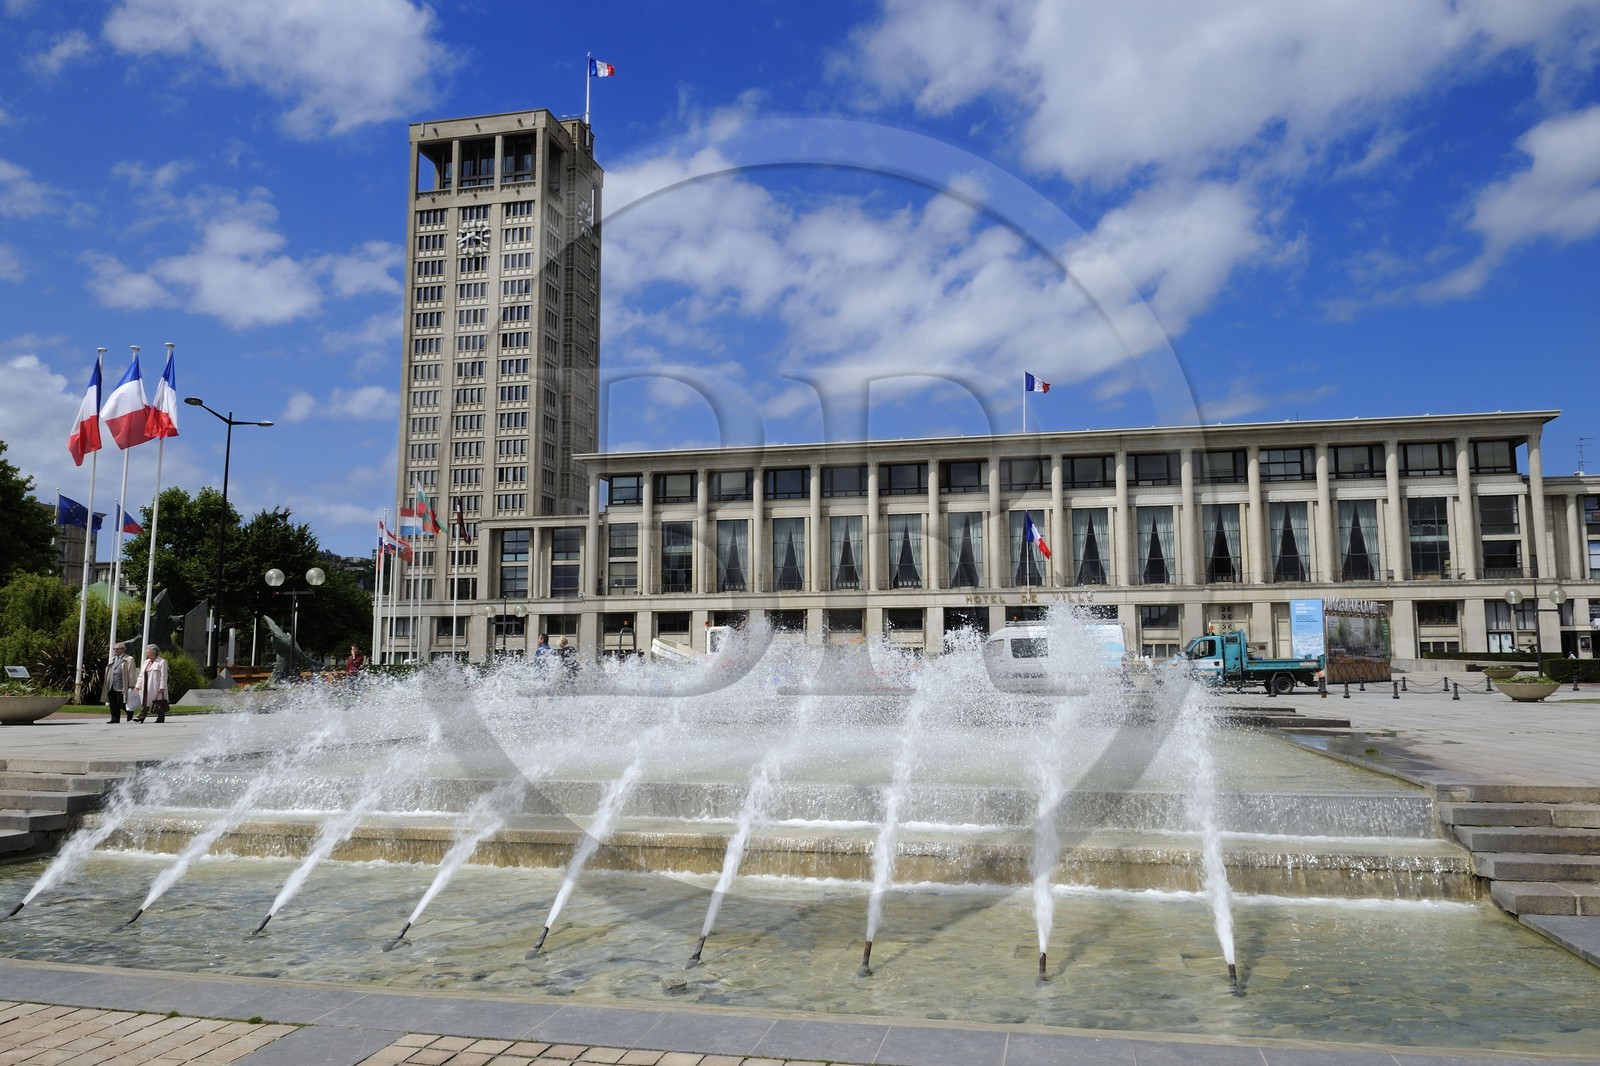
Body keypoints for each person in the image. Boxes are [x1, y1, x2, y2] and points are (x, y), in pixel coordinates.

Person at [135, 644, 169, 724]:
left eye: (148, 653)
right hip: (146, 685)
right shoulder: (146, 662)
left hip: (155, 686)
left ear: (153, 653)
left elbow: (164, 675)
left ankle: (160, 717)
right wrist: (138, 685)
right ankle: (141, 716)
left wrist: (162, 686)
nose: (146, 654)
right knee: (146, 701)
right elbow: (141, 675)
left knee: (158, 702)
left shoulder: (162, 662)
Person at [104, 643, 136, 724]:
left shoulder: (129, 659)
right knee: (112, 702)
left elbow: (131, 672)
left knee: (120, 701)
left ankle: (129, 711)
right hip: (111, 684)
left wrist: (131, 684)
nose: (115, 650)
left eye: (117, 649)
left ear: (123, 649)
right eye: (114, 649)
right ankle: (114, 718)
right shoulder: (113, 659)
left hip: (122, 684)